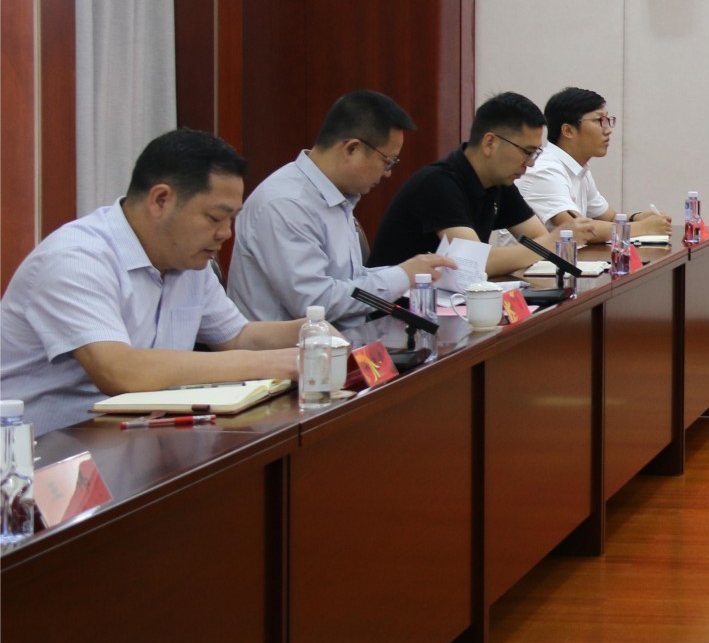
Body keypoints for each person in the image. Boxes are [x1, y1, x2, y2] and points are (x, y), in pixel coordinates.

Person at [0, 130, 302, 434]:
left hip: (137, 436)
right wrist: (270, 364)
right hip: (47, 450)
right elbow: (120, 371)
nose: (226, 233)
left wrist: (313, 333)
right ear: (160, 200)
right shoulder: (76, 259)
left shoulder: (187, 260)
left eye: (231, 219)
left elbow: (237, 336)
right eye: (214, 218)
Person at [228, 90, 455, 323]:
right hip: (294, 344)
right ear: (351, 149)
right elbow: (315, 303)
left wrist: (412, 272)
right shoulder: (287, 204)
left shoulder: (332, 195)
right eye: (387, 161)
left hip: (339, 338)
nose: (387, 173)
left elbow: (348, 282)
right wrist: (401, 276)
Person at [369, 92, 570, 277]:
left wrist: (547, 243)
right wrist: (551, 242)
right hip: (401, 301)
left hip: (452, 297)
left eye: (535, 153)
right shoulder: (437, 183)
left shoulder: (500, 182)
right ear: (490, 143)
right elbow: (474, 262)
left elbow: (537, 237)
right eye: (527, 152)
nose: (531, 163)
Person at [516, 87, 670, 244]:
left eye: (608, 120)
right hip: (529, 260)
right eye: (599, 121)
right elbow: (578, 229)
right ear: (568, 130)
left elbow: (610, 217)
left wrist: (637, 218)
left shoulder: (579, 168)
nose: (608, 130)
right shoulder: (545, 169)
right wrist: (643, 227)